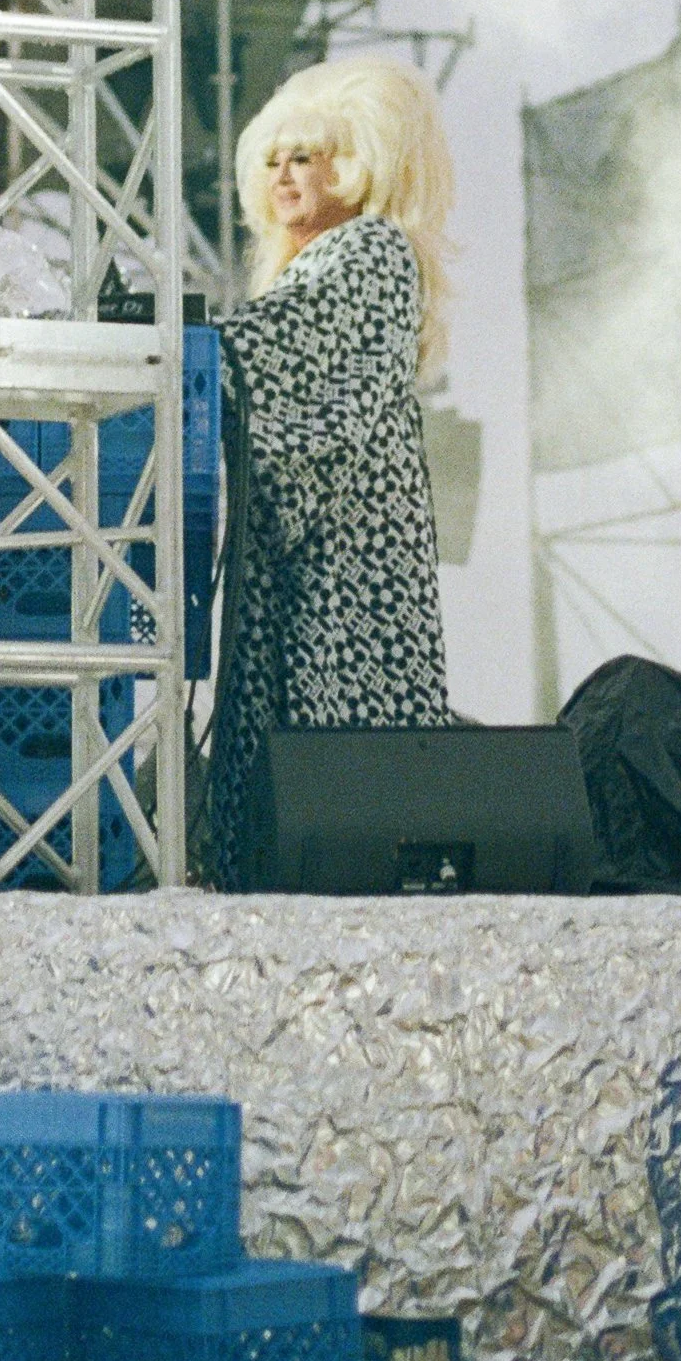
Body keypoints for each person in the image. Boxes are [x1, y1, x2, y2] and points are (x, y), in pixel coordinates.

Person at [205, 55, 454, 885]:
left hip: (348, 572)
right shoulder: (307, 263)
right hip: (304, 567)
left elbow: (276, 361)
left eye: (303, 157)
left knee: (335, 769)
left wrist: (167, 353)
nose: (283, 175)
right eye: (272, 159)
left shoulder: (371, 250)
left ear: (354, 164)